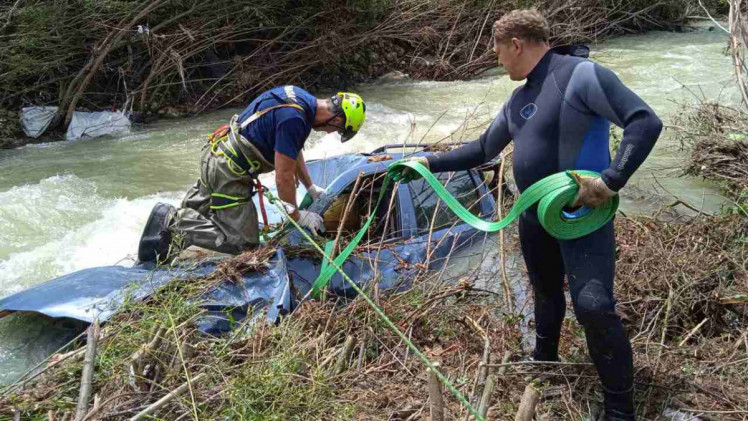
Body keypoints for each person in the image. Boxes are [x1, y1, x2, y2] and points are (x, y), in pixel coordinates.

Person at [405, 10, 662, 420]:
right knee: (544, 292)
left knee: (593, 305)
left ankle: (619, 408)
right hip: (533, 215)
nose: (496, 57)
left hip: (581, 213)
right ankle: (544, 361)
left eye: (497, 48)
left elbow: (644, 122)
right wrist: (424, 162)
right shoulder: (518, 99)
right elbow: (482, 149)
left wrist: (611, 180)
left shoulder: (581, 75)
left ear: (516, 44)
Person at [138, 86, 366, 262]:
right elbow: (283, 176)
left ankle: (165, 242)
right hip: (230, 171)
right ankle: (172, 222)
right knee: (243, 243)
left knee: (200, 213)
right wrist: (296, 216)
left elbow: (293, 149)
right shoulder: (295, 119)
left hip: (217, 155)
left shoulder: (298, 97)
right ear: (336, 119)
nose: (329, 132)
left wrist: (310, 187)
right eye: (336, 129)